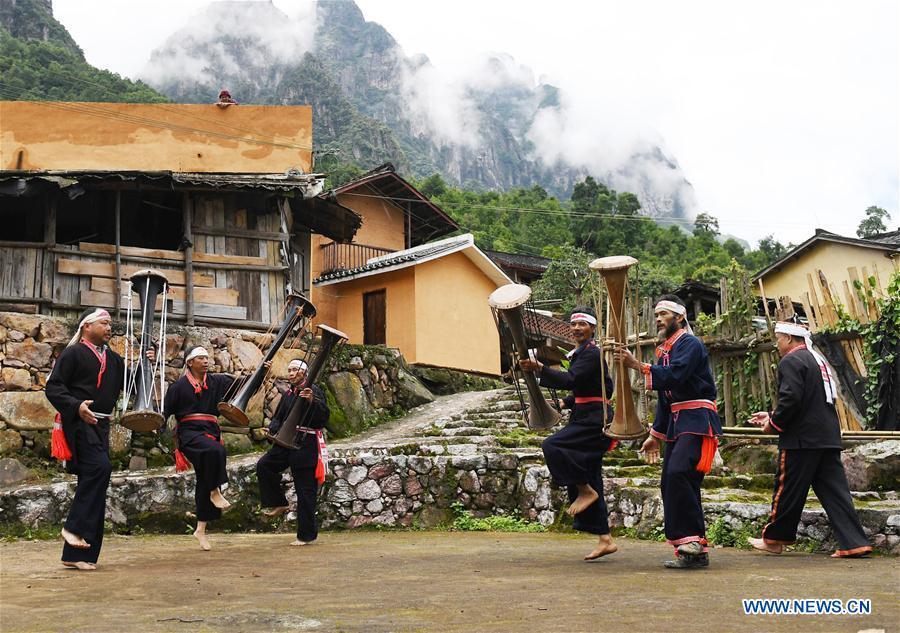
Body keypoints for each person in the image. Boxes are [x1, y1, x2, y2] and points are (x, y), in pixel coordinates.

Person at [746, 321, 872, 558]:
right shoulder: (817, 360)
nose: (777, 344)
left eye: (779, 339)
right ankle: (854, 543)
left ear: (791, 339)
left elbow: (791, 399)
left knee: (787, 489)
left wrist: (773, 425)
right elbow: (809, 401)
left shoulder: (791, 361)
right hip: (826, 437)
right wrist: (772, 414)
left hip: (802, 440)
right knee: (836, 492)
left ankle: (774, 538)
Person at [614, 295, 722, 569]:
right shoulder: (664, 350)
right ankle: (692, 547)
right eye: (657, 314)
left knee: (679, 474)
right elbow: (666, 398)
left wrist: (638, 366)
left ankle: (694, 544)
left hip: (697, 419)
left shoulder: (690, 344)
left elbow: (676, 375)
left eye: (664, 314)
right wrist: (655, 435)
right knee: (670, 479)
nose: (659, 319)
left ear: (680, 317)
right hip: (678, 422)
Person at [46, 308, 153, 571]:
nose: (109, 327)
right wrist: (76, 405)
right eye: (104, 323)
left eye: (110, 324)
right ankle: (72, 527)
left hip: (101, 425)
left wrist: (145, 362)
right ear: (86, 326)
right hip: (79, 422)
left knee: (96, 480)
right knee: (99, 469)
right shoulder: (72, 354)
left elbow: (132, 384)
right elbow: (53, 387)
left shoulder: (114, 359)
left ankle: (78, 554)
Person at [519, 306, 618, 561]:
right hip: (587, 415)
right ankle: (605, 539)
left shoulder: (591, 354)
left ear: (593, 328)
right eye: (573, 324)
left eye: (582, 324)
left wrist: (540, 368)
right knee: (593, 475)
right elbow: (594, 386)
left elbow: (570, 380)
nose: (576, 328)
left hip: (595, 420)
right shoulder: (582, 354)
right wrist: (564, 403)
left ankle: (583, 489)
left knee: (553, 446)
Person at [162, 346, 238, 550]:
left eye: (207, 357)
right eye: (201, 358)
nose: (206, 361)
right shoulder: (177, 387)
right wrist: (158, 431)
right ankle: (216, 489)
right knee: (217, 451)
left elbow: (243, 385)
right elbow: (165, 412)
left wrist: (262, 372)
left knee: (204, 476)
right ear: (189, 362)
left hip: (210, 432)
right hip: (189, 434)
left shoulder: (218, 381)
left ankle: (201, 529)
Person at [256, 359, 330, 546]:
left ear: (304, 372)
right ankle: (279, 502)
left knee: (305, 490)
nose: (291, 373)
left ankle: (305, 536)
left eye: (295, 369)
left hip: (306, 444)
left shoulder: (313, 390)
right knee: (265, 465)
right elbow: (279, 417)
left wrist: (312, 401)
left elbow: (323, 417)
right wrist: (272, 431)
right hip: (285, 442)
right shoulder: (289, 393)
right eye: (289, 370)